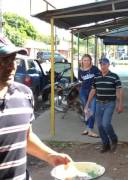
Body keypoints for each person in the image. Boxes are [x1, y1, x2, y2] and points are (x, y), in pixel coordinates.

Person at [0, 35, 72, 179]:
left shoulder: (24, 94)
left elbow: (25, 137)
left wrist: (50, 155)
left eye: (13, 59)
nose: (12, 66)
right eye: (3, 61)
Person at [85, 57, 124, 153]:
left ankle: (114, 139)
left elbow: (119, 90)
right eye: (101, 64)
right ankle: (105, 143)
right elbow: (93, 90)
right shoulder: (96, 77)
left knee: (106, 124)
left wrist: (120, 104)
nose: (103, 66)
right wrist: (87, 104)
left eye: (105, 64)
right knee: (99, 126)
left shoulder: (114, 76)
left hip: (109, 103)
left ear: (108, 65)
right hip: (98, 103)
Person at [78, 54, 100, 138]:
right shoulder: (80, 70)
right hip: (83, 91)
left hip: (93, 91)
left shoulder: (94, 69)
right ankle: (87, 128)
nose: (86, 62)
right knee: (86, 111)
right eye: (84, 60)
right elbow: (81, 81)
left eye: (88, 60)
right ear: (82, 61)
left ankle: (90, 129)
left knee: (92, 111)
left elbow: (98, 79)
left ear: (91, 61)